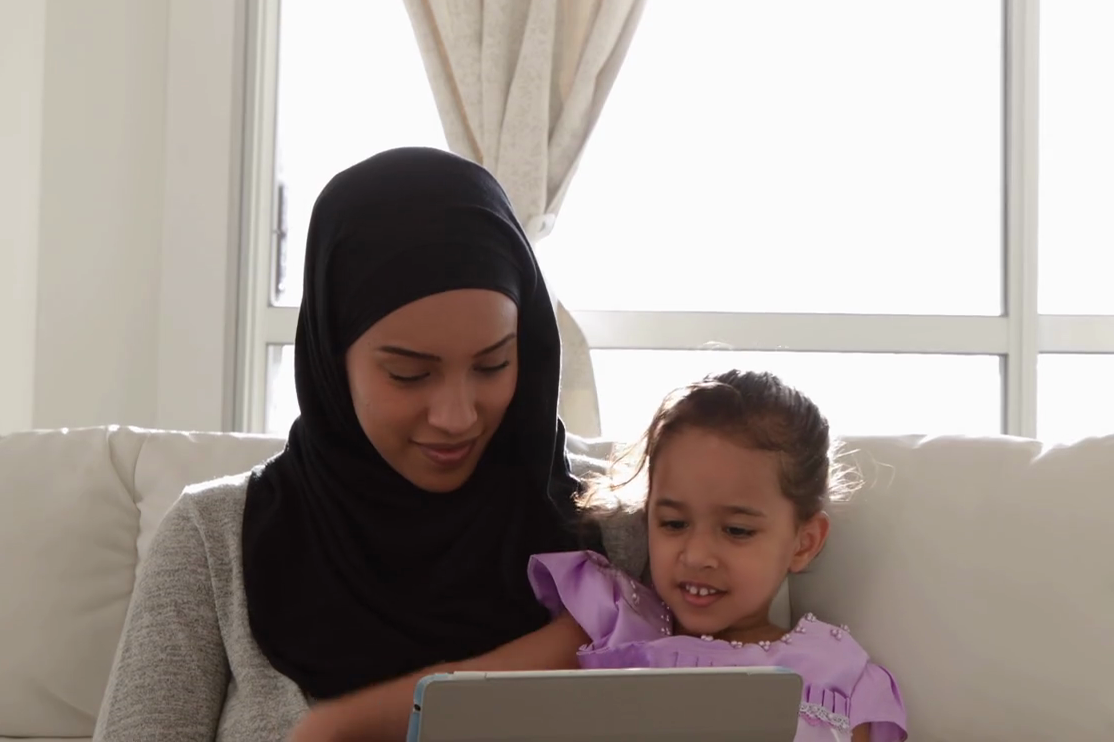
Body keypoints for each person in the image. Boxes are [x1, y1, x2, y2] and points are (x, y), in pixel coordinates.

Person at [93, 147, 629, 742]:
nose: (457, 417)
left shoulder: (625, 522)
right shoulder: (211, 540)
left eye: (492, 365)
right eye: (409, 374)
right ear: (332, 359)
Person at [526, 370, 908, 742]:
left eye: (736, 530)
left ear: (803, 543)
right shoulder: (611, 618)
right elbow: (489, 700)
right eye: (674, 523)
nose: (696, 556)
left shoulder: (836, 674)